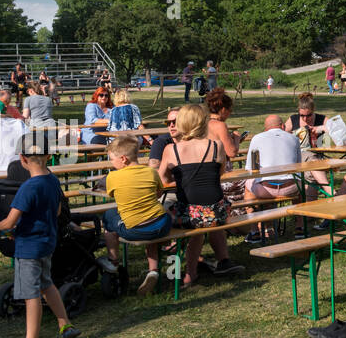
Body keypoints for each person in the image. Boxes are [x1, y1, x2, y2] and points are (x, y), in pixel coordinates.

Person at [0, 133, 83, 338]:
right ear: (49, 156)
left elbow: (9, 222)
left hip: (29, 248)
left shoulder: (28, 188)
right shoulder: (52, 180)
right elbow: (58, 212)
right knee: (46, 283)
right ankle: (65, 325)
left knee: (31, 295)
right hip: (46, 242)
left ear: (21, 158)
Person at [157, 103, 244, 285]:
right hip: (217, 214)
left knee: (165, 216)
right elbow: (218, 174)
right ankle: (201, 268)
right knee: (200, 224)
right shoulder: (216, 146)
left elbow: (161, 179)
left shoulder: (171, 150)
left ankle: (182, 272)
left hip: (188, 215)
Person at [98, 135, 170, 296]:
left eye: (112, 160)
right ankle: (153, 270)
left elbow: (112, 194)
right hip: (162, 224)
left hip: (136, 230)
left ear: (123, 159)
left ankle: (113, 261)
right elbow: (158, 194)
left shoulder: (113, 177)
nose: (111, 163)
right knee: (149, 219)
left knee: (109, 216)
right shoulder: (151, 172)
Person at [242, 115, 302, 244]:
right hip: (291, 188)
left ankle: (254, 231)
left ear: (265, 129)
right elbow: (298, 166)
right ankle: (300, 226)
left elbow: (251, 168)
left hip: (266, 189)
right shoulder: (294, 138)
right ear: (282, 126)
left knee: (248, 188)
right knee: (301, 184)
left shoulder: (257, 138)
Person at [204, 87, 242, 163]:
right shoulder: (220, 125)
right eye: (230, 110)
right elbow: (231, 153)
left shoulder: (203, 122)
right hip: (217, 169)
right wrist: (237, 139)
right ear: (223, 109)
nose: (230, 113)